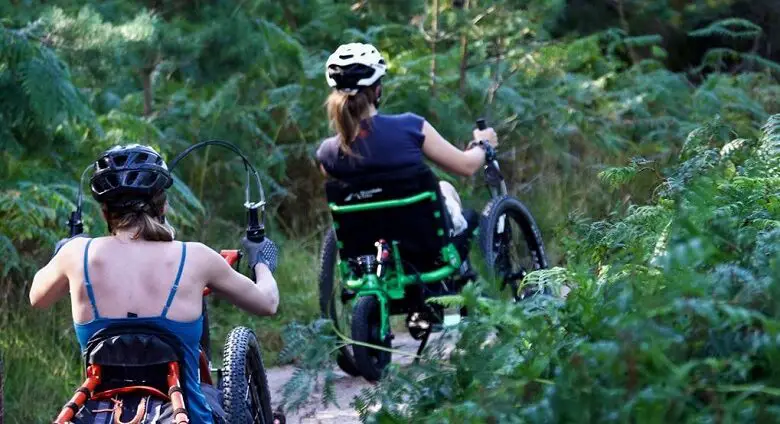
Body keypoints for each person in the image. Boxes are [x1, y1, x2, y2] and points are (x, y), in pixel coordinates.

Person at [29, 144, 279, 424]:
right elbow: (267, 302)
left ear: (104, 213)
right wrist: (262, 261)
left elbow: (36, 298)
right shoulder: (196, 257)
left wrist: (64, 249)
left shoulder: (76, 256)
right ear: (163, 205)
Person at [316, 42, 499, 238]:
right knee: (445, 188)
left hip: (367, 248)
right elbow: (466, 166)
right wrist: (483, 143)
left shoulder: (327, 153)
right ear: (377, 90)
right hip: (422, 239)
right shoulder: (411, 127)